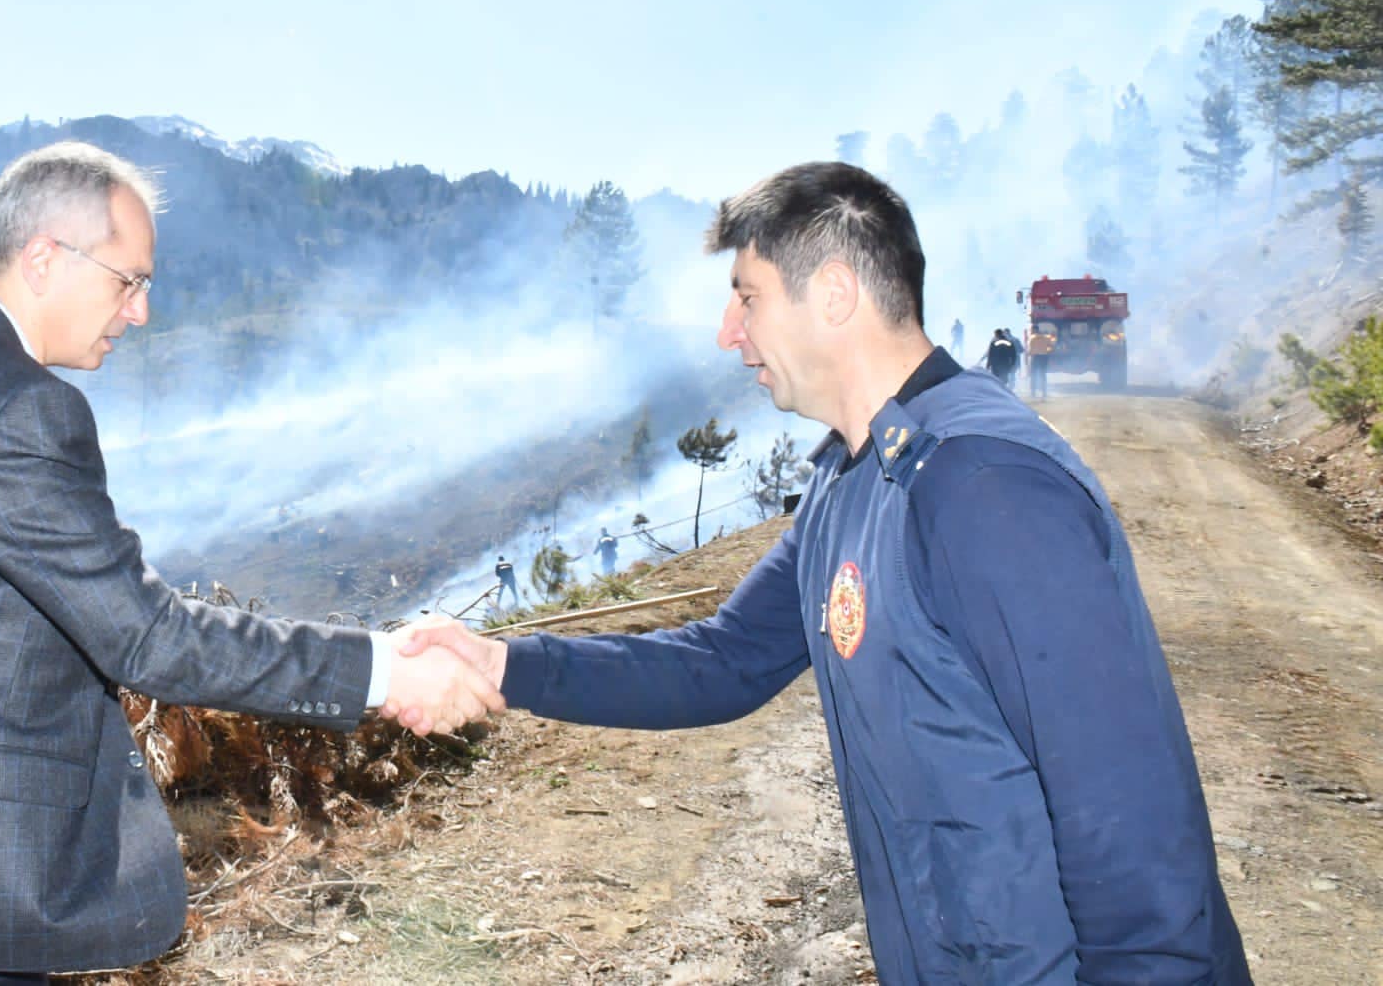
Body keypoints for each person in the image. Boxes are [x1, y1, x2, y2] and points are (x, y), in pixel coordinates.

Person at [392, 162, 1249, 985]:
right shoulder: (851, 483)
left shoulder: (984, 487)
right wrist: (502, 664)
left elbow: (1133, 823)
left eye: (748, 296)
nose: (730, 332)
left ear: (834, 293)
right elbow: (722, 661)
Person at [0, 142, 500, 984]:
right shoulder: (19, 410)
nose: (140, 312)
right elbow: (151, 639)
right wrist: (382, 671)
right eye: (129, 279)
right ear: (45, 256)